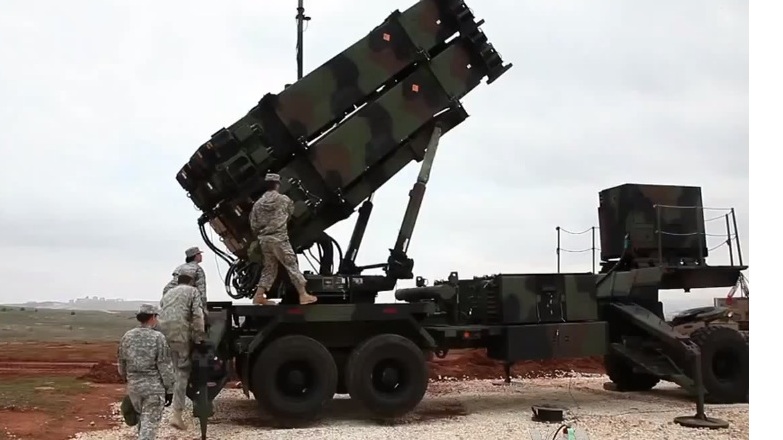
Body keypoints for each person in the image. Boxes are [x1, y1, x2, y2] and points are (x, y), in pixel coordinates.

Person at [249, 173, 318, 306]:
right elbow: (290, 214)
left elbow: (254, 224)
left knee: (269, 268)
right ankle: (303, 295)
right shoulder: (283, 200)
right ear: (277, 185)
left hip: (265, 240)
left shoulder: (258, 204)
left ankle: (258, 296)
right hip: (279, 239)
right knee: (291, 265)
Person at [157, 266, 206, 430]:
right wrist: (200, 338)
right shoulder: (193, 292)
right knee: (182, 372)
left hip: (163, 334)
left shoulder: (168, 293)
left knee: (168, 369)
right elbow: (198, 315)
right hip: (180, 334)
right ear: (192, 281)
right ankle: (176, 415)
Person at [117, 304, 175, 440]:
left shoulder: (127, 336)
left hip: (134, 388)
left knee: (143, 423)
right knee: (149, 425)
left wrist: (128, 379)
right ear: (153, 317)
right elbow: (165, 365)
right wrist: (170, 389)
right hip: (153, 389)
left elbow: (121, 363)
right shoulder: (158, 338)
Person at [163, 246, 207, 316]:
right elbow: (201, 291)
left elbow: (170, 286)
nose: (201, 256)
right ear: (195, 256)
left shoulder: (180, 268)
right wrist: (203, 310)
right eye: (199, 254)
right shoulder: (198, 269)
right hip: (188, 301)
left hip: (173, 301)